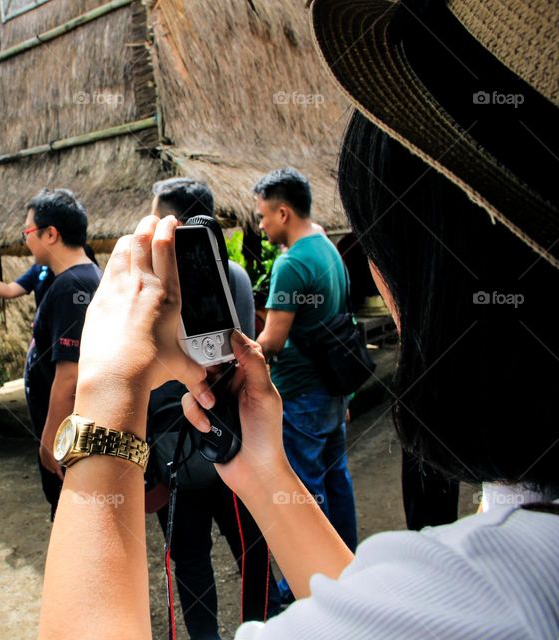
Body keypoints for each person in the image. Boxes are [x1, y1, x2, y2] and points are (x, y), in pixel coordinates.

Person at [39, 1, 559, 638]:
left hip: (304, 396)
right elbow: (382, 612)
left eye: (382, 246)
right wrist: (261, 470)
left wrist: (105, 393)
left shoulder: (491, 602)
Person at [147, 177, 275, 631]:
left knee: (191, 558)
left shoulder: (154, 292)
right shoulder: (235, 275)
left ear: (174, 223)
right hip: (229, 440)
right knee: (250, 547)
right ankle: (264, 624)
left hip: (178, 449)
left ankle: (211, 632)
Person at [252, 168, 358, 556]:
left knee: (307, 490)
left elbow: (273, 341)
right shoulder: (327, 247)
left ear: (283, 213)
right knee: (336, 480)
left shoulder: (291, 264)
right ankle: (348, 563)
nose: (260, 225)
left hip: (301, 393)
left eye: (262, 216)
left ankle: (315, 577)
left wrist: (242, 351)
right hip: (333, 387)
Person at [22, 189, 101, 519]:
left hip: (70, 440)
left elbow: (69, 376)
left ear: (50, 233)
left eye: (27, 232)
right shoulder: (82, 278)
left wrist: (51, 439)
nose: (25, 239)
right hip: (76, 435)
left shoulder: (72, 288)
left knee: (74, 520)